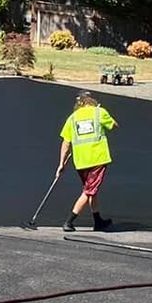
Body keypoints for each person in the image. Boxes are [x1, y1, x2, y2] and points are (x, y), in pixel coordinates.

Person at [57, 91, 117, 233]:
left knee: (92, 190)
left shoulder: (72, 118)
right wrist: (106, 115)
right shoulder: (99, 112)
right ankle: (69, 221)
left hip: (81, 161)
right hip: (97, 159)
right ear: (91, 100)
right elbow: (114, 125)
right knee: (89, 191)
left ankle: (98, 221)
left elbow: (66, 143)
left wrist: (62, 164)